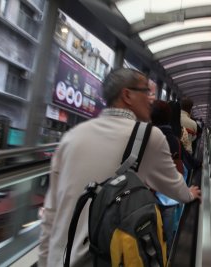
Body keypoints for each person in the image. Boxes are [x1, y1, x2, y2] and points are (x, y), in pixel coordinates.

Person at [38, 68, 201, 267]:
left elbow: (50, 212)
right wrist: (190, 194)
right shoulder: (150, 136)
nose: (151, 99)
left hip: (59, 258)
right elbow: (176, 189)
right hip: (104, 257)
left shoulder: (71, 136)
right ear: (127, 95)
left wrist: (45, 259)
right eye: (146, 92)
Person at [150, 100, 183, 252]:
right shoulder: (174, 139)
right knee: (166, 234)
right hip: (167, 195)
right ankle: (166, 255)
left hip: (147, 193)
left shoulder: (145, 135)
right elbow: (179, 170)